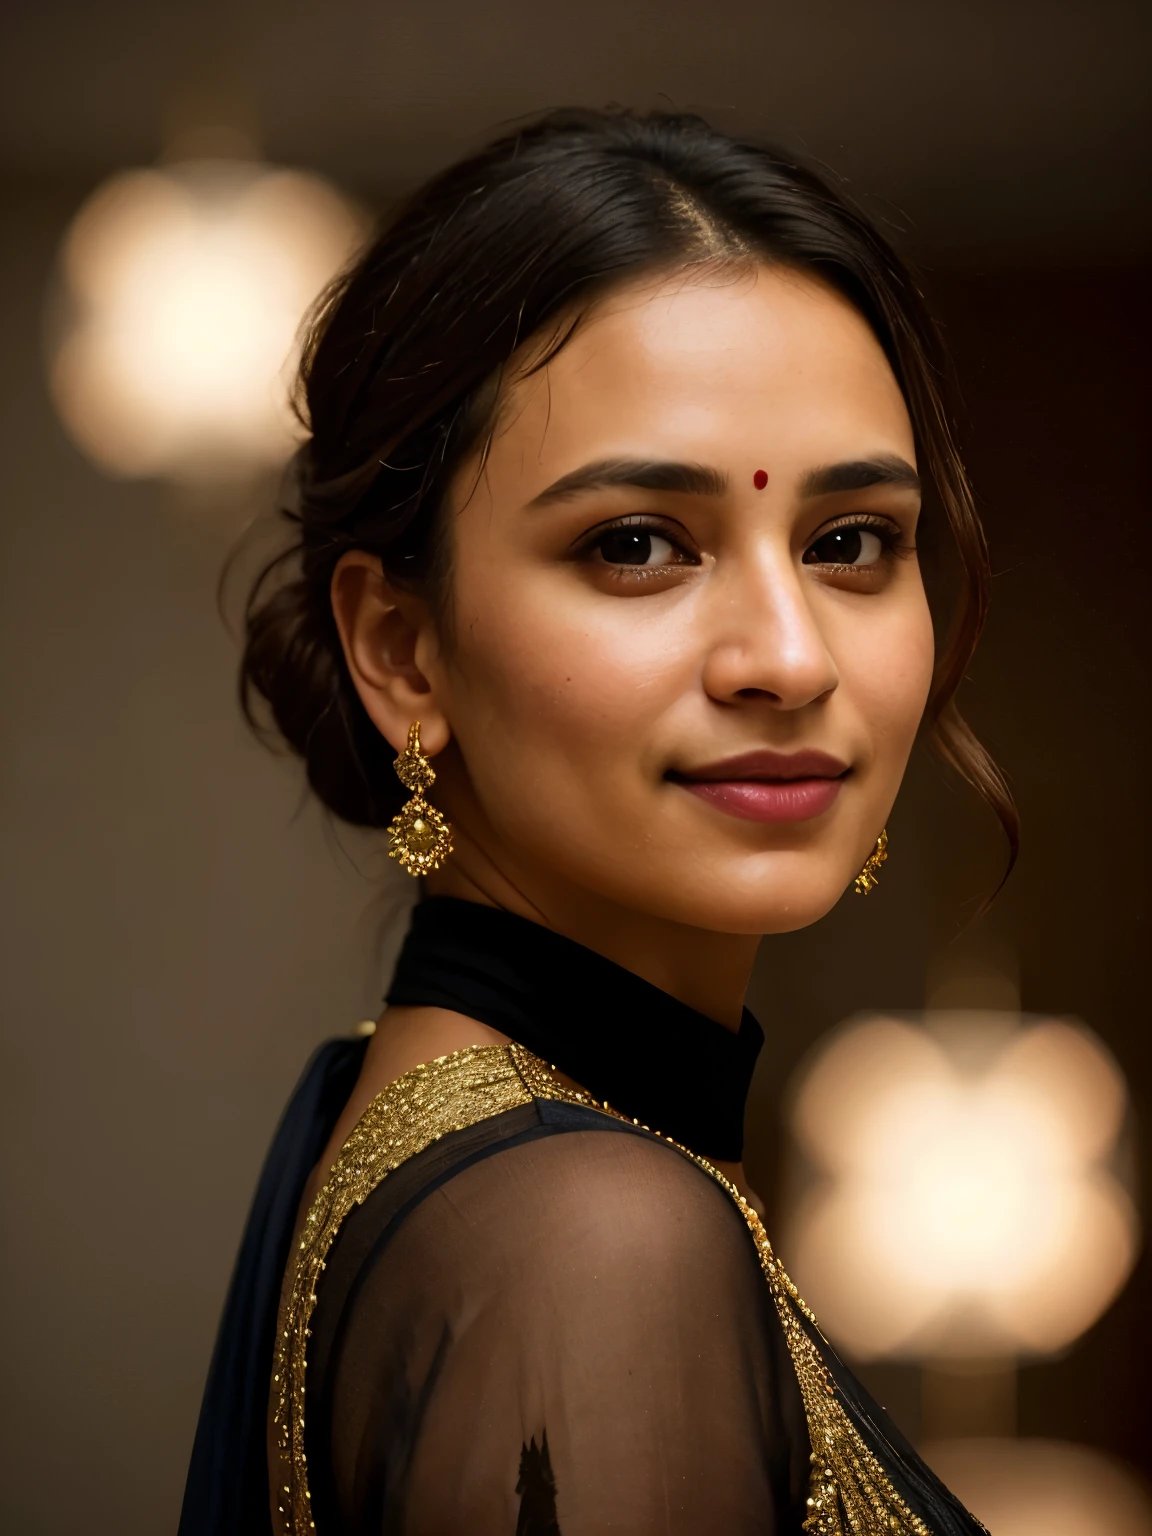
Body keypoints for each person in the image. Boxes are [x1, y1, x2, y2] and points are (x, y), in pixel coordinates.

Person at [180, 109, 1014, 1535]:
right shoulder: (589, 1245)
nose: (790, 657)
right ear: (403, 653)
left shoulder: (483, 1155)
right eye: (638, 546)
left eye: (849, 542)